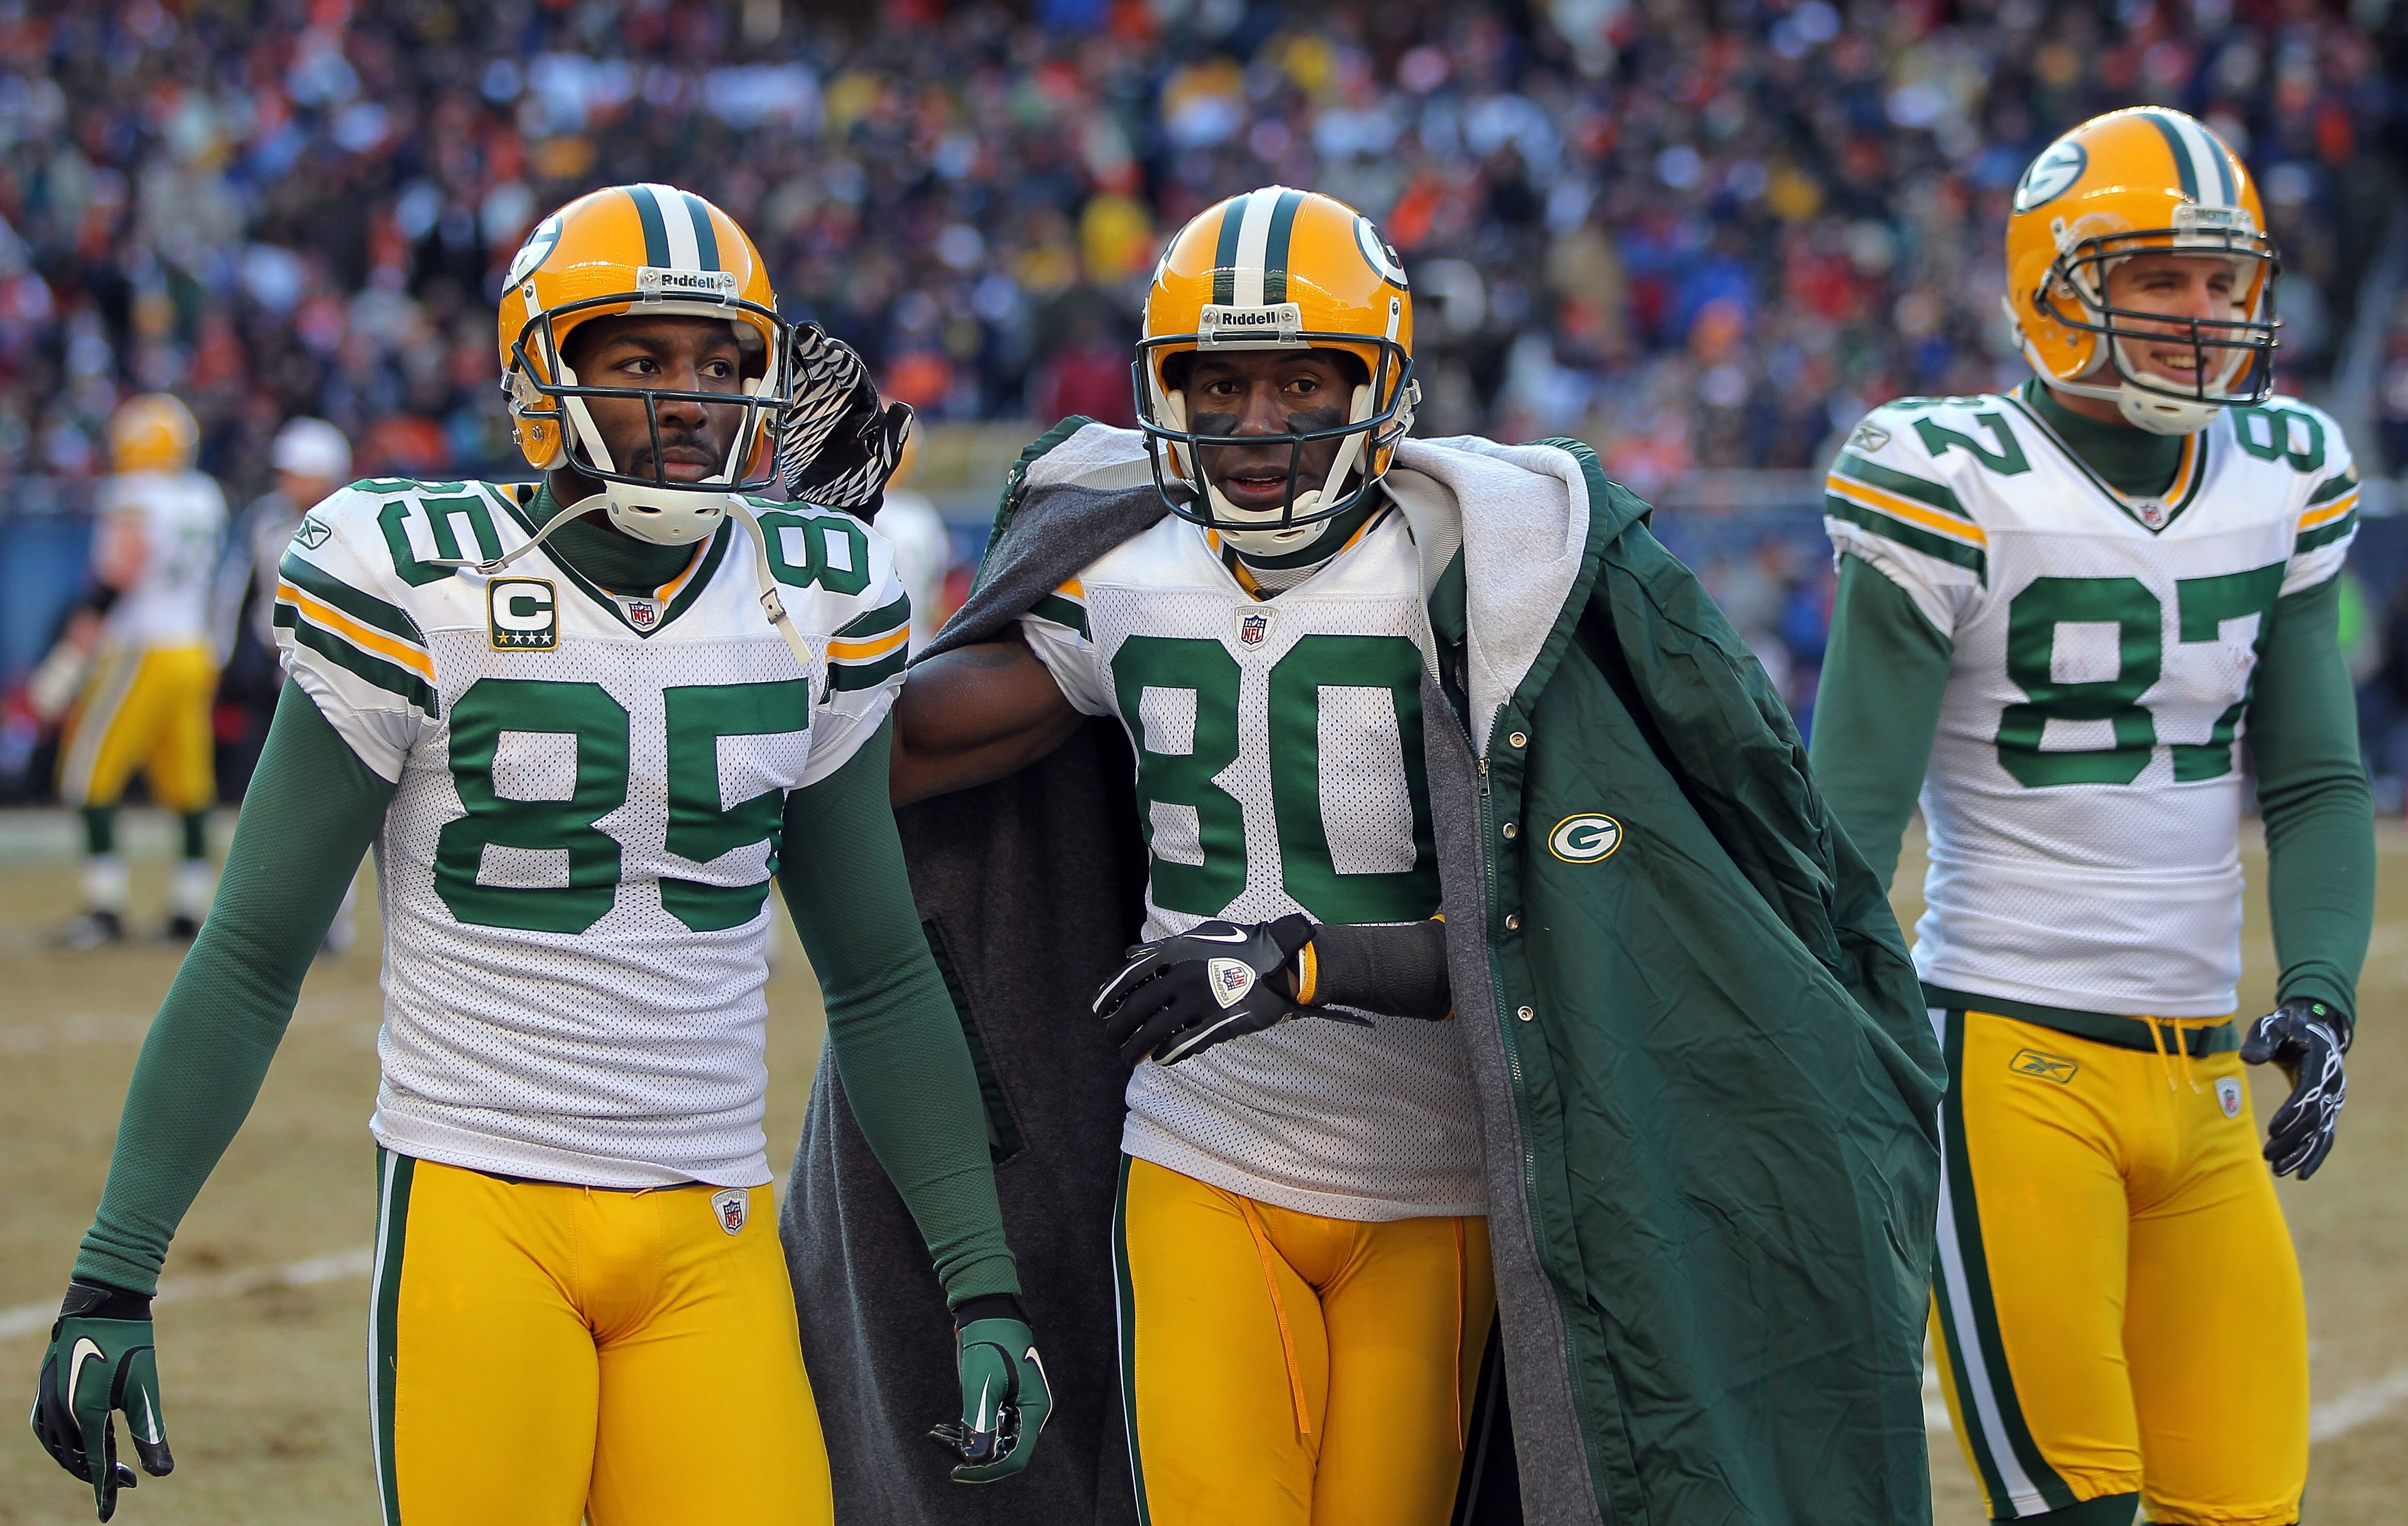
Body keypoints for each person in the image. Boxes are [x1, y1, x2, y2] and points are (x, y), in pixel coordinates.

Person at [788, 186, 1944, 1526]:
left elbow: (1557, 931)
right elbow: (888, 751)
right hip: (1201, 1151)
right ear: (1163, 390)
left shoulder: (1467, 575)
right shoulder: (1124, 572)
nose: (1260, 423)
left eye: (1301, 380)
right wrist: (805, 602)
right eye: (1217, 384)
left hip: (1431, 1175)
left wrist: (1307, 960)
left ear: (1382, 387)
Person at [28, 184, 1048, 1526]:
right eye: (640, 360)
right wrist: (116, 1269)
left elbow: (875, 973)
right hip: (480, 1205)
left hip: (712, 1225)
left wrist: (983, 1280)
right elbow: (254, 951)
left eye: (723, 361)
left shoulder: (814, 588)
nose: (693, 396)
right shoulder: (412, 569)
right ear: (542, 376)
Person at [1810, 107, 2370, 1526]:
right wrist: (1811, 1036)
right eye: (2154, 276)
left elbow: (2312, 777)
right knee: (2078, 1509)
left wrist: (2316, 995)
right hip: (2003, 1062)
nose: (2199, 314)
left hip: (2203, 1085)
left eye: (2220, 280)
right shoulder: (1951, 473)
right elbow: (1850, 811)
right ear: (2055, 286)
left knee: (2242, 1506)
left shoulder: (2282, 470)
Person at [33, 394, 227, 946]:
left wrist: (68, 660)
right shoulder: (204, 496)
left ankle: (104, 906)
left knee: (88, 773)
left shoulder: (136, 496)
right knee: (189, 785)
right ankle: (189, 905)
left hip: (143, 649)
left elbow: (118, 574)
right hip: (194, 650)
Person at [211, 417, 360, 947]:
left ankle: (334, 918)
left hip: (346, 670)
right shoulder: (267, 522)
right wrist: (226, 657)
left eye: (297, 472)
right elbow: (240, 593)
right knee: (281, 798)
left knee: (334, 798)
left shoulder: (356, 522)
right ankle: (292, 916)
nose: (286, 482)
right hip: (282, 671)